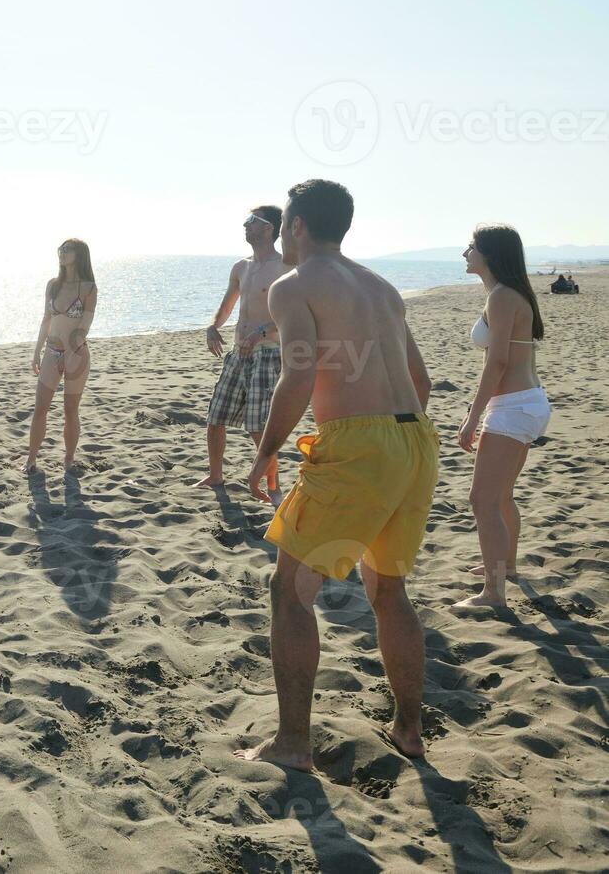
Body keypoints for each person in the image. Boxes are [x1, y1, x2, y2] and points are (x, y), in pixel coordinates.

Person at [235, 180, 438, 771]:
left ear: (294, 226)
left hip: (360, 446)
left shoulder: (292, 285)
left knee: (290, 592)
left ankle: (293, 743)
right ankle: (408, 728)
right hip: (414, 441)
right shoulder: (382, 286)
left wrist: (266, 451)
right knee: (388, 590)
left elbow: (296, 377)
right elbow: (420, 382)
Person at [454, 226, 549, 610]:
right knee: (501, 493)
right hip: (523, 402)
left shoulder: (503, 296)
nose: (465, 253)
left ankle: (493, 594)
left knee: (482, 499)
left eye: (472, 247)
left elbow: (498, 363)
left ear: (490, 254)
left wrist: (472, 417)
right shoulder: (505, 294)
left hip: (513, 406)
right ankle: (505, 567)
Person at [195, 207, 291, 501]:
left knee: (257, 426)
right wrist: (213, 326)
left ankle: (274, 486)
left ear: (269, 228)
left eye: (252, 221)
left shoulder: (285, 266)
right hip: (238, 353)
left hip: (268, 353)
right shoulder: (241, 267)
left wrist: (261, 332)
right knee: (216, 416)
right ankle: (215, 475)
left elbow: (291, 316)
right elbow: (227, 306)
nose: (246, 225)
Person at [24, 239, 98, 473]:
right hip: (52, 353)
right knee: (40, 408)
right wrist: (37, 351)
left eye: (67, 250)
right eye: (60, 250)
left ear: (80, 255)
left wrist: (74, 345)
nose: (62, 254)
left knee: (70, 410)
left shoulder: (88, 288)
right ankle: (31, 459)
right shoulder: (53, 285)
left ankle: (68, 459)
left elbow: (85, 324)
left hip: (76, 354)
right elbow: (46, 320)